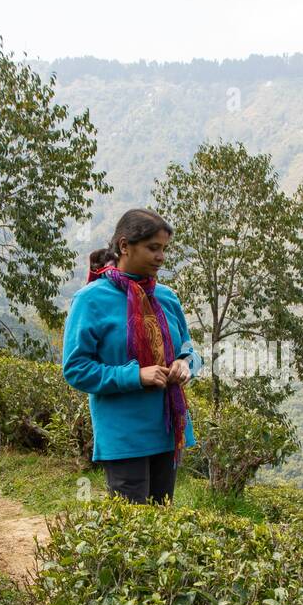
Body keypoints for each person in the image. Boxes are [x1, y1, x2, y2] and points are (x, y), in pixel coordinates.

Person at [62, 208, 203, 503]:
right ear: (125, 246)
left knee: (162, 527)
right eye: (153, 248)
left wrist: (185, 364)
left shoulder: (165, 296)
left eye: (164, 249)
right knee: (131, 533)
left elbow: (189, 349)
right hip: (124, 434)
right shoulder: (91, 300)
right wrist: (135, 375)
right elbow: (75, 368)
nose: (161, 257)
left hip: (166, 430)